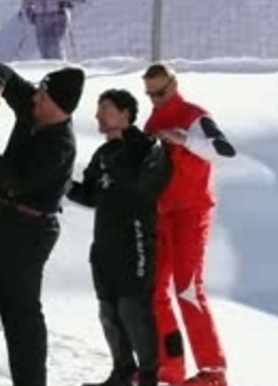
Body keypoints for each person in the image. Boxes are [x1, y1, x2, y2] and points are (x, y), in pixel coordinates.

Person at [0, 63, 83, 386]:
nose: (34, 99)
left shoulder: (61, 146)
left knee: (19, 312)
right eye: (37, 92)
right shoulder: (35, 105)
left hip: (30, 229)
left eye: (43, 97)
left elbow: (16, 181)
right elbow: (1, 70)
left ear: (59, 106)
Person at [142, 63, 236, 386]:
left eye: (161, 92)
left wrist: (183, 139)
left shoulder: (194, 115)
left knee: (187, 288)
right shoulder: (152, 121)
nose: (156, 99)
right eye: (151, 94)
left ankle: (213, 372)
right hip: (161, 213)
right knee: (154, 291)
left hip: (191, 212)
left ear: (174, 83)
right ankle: (170, 366)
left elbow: (225, 150)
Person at [70, 89, 171, 386]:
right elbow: (90, 195)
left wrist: (118, 151)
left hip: (136, 239)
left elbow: (141, 185)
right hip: (105, 243)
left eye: (105, 109)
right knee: (109, 310)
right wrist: (63, 182)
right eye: (98, 109)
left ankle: (149, 376)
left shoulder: (146, 146)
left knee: (133, 308)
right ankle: (122, 372)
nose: (98, 115)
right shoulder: (102, 153)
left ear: (125, 113)